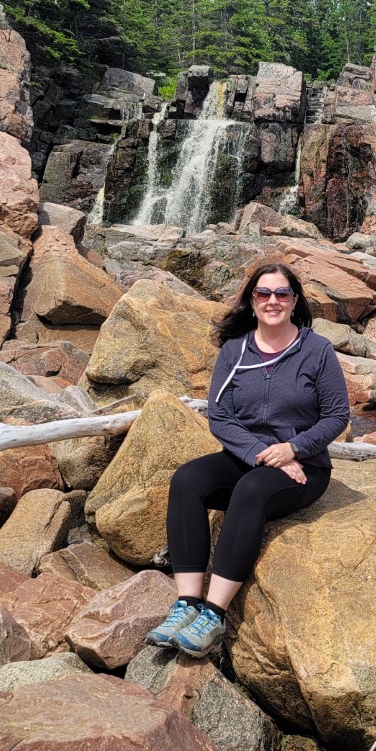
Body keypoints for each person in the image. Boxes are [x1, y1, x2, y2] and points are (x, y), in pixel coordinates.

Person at [146, 261, 349, 657]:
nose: (272, 300)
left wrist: (293, 449)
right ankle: (186, 603)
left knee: (252, 492)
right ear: (252, 301)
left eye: (281, 294)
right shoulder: (234, 351)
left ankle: (213, 614)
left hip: (305, 467)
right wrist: (262, 454)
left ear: (294, 301)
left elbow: (338, 415)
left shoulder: (317, 350)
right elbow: (219, 417)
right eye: (263, 293)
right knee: (187, 479)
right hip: (248, 457)